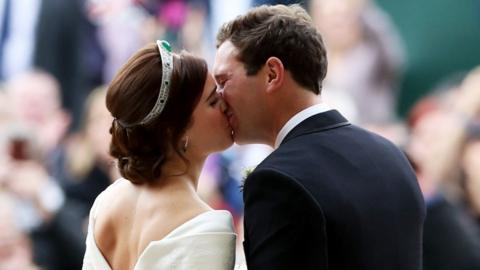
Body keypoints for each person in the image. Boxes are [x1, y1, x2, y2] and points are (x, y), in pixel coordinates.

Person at [213, 4, 425, 270]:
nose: (218, 97)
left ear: (272, 74)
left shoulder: (277, 180)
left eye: (223, 81)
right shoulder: (392, 156)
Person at [82, 41, 237, 269]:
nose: (226, 104)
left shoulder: (107, 201)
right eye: (213, 101)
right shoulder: (206, 228)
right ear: (176, 130)